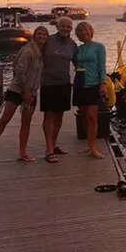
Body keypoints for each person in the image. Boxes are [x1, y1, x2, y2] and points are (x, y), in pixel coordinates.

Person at [0, 26, 49, 164]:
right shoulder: (28, 51)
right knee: (5, 119)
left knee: (26, 122)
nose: (42, 37)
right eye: (39, 34)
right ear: (34, 36)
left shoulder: (42, 53)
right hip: (18, 90)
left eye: (44, 34)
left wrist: (31, 92)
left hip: (31, 92)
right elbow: (20, 72)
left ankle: (22, 152)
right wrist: (24, 92)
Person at [41, 16, 78, 163]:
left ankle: (54, 144)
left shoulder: (72, 45)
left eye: (68, 27)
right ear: (57, 26)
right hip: (48, 83)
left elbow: (78, 64)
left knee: (59, 116)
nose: (65, 29)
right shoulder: (47, 41)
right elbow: (35, 56)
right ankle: (49, 149)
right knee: (49, 116)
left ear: (71, 28)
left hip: (64, 83)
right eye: (63, 26)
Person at [73, 21, 106, 159]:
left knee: (92, 117)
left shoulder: (99, 47)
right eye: (81, 32)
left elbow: (102, 66)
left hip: (93, 84)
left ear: (91, 31)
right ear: (78, 35)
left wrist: (102, 82)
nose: (84, 34)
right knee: (84, 116)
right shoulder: (78, 49)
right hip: (80, 83)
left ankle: (93, 147)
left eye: (87, 31)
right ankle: (89, 143)